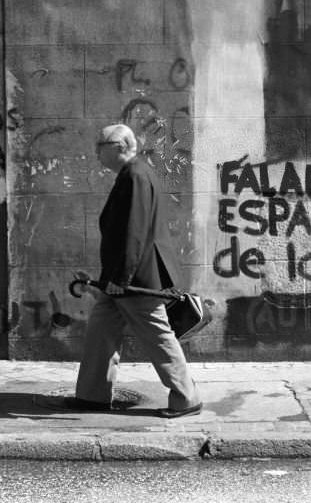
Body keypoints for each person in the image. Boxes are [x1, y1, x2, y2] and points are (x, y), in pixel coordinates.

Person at [67, 124, 202, 418]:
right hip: (118, 280)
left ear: (117, 147)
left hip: (136, 279)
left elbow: (135, 232)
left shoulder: (136, 175)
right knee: (101, 331)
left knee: (157, 334)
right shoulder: (132, 174)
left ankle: (187, 398)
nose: (95, 152)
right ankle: (92, 395)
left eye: (99, 146)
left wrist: (120, 279)